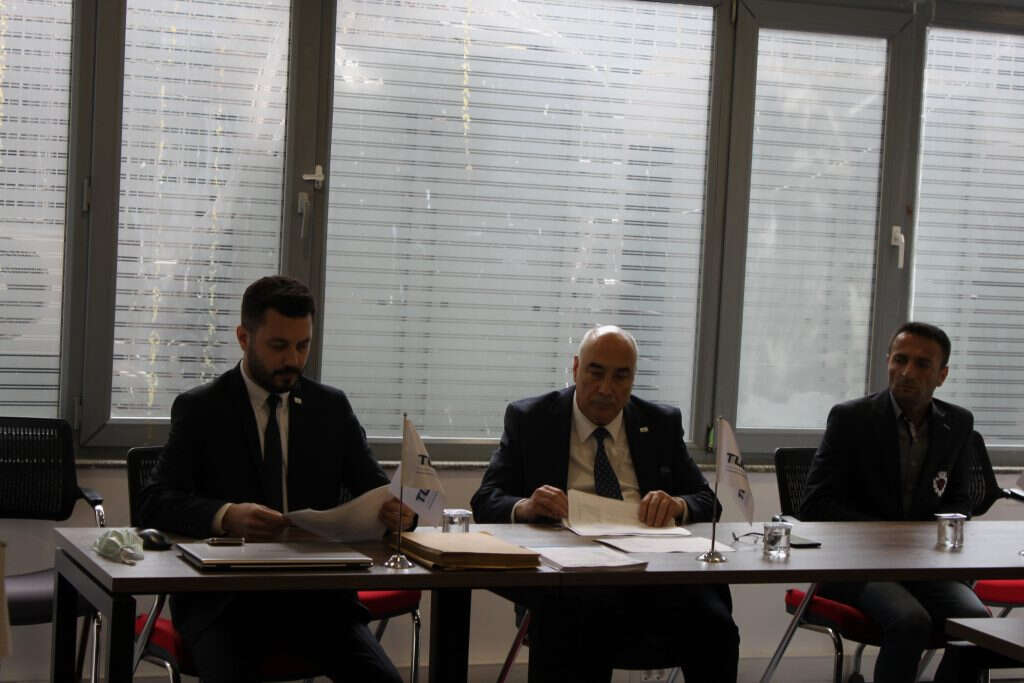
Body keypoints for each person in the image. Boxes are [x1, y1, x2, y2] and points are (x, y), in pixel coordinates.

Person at [138, 275, 413, 683]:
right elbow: (153, 501)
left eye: (303, 346)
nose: (293, 360)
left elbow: (375, 490)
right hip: (227, 603)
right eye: (279, 346)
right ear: (243, 338)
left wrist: (398, 513)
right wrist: (226, 515)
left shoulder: (330, 408)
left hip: (319, 602)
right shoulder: (202, 409)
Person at [471, 325, 739, 683]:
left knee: (715, 625)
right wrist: (527, 506)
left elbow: (707, 501)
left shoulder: (660, 423)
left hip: (656, 574)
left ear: (633, 378)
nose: (605, 389)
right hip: (571, 577)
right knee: (574, 621)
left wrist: (676, 505)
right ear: (575, 368)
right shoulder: (531, 419)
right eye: (595, 373)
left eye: (620, 376)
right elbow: (486, 499)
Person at [800, 321, 989, 683]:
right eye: (900, 359)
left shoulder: (958, 423)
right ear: (887, 361)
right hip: (855, 564)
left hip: (924, 565)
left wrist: (931, 538)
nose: (907, 372)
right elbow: (814, 504)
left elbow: (961, 500)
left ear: (942, 375)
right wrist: (892, 535)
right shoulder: (851, 418)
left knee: (977, 625)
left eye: (922, 364)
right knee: (910, 621)